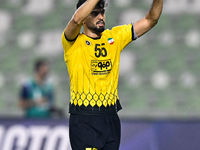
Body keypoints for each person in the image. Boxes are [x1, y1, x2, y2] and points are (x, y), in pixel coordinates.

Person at [61, 0, 163, 149]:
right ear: (84, 18)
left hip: (110, 118)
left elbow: (150, 20)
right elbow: (76, 19)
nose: (101, 17)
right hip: (84, 119)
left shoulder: (114, 37)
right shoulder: (72, 42)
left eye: (102, 12)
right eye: (94, 13)